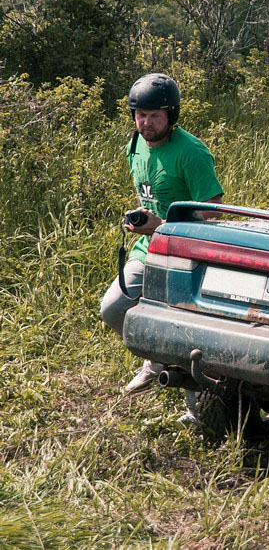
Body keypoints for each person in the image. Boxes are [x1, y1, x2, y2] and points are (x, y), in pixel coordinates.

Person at [99, 73, 224, 394]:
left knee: (186, 326)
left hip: (188, 249)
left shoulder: (192, 152)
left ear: (171, 115)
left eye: (155, 115)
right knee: (113, 308)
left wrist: (164, 223)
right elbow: (150, 195)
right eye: (141, 115)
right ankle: (156, 361)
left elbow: (212, 210)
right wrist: (141, 220)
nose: (147, 123)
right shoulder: (135, 145)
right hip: (149, 245)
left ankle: (198, 402)